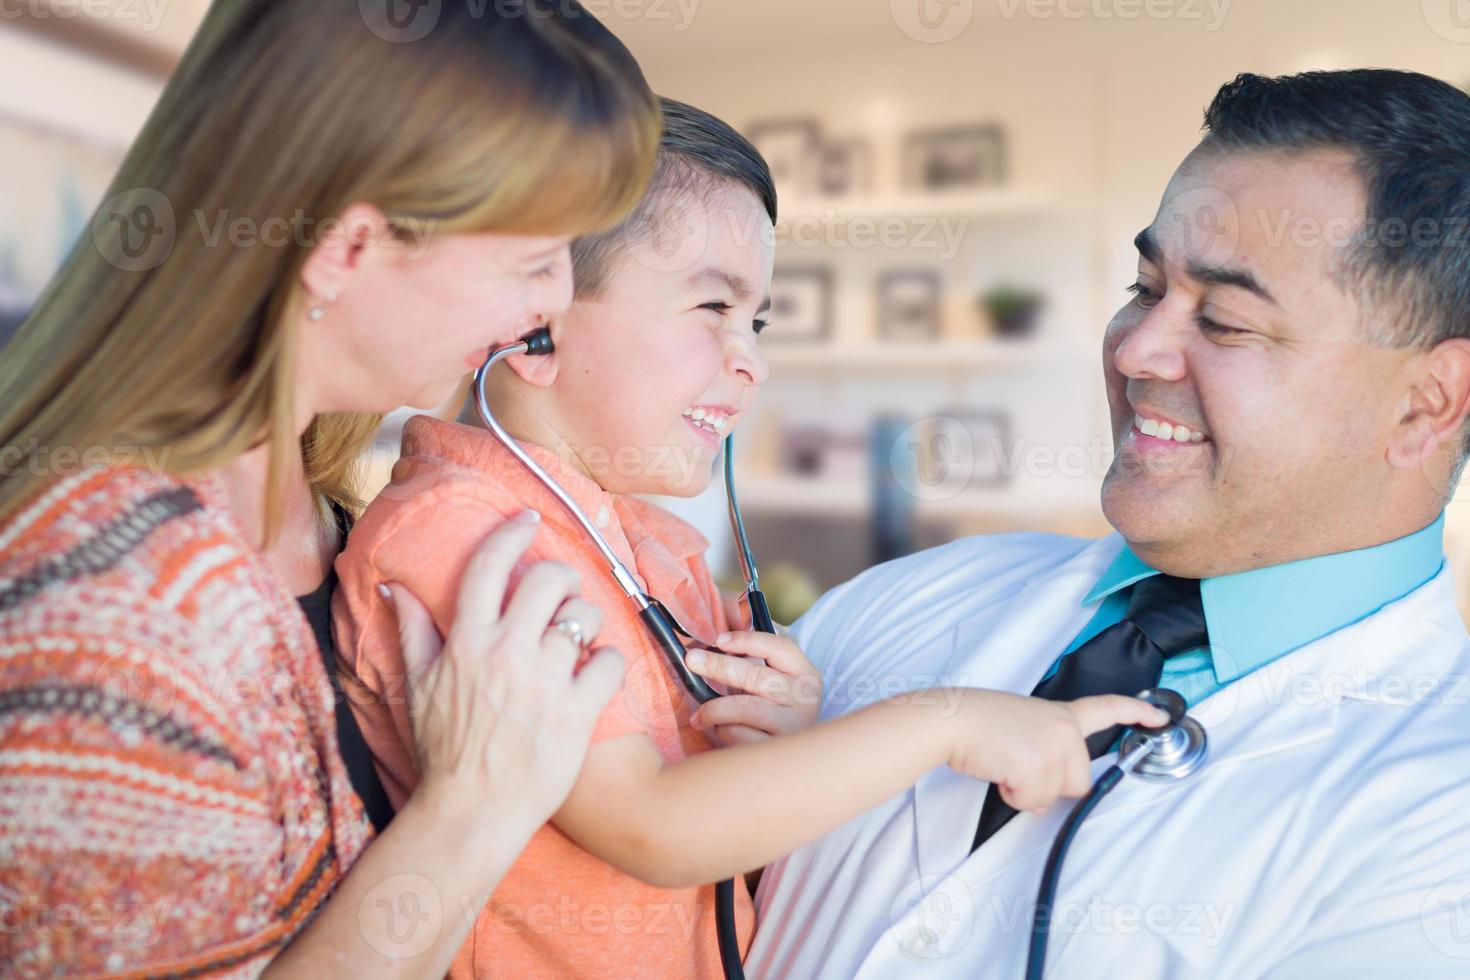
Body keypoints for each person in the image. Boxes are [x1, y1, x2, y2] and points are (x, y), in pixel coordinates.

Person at [332, 97, 1167, 979]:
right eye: (712, 307)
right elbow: (655, 826)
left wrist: (782, 743)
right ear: (531, 328)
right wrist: (945, 724)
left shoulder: (651, 547)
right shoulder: (462, 535)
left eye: (756, 322)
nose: (751, 360)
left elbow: (715, 854)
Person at [744, 68, 1470, 979]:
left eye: (1229, 322)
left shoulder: (1442, 828)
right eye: (1145, 285)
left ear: (1426, 404)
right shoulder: (908, 600)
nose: (1133, 350)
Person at [0, 1, 660, 975]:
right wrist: (477, 802)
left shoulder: (324, 506)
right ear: (346, 248)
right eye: (534, 259)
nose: (555, 304)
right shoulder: (114, 622)